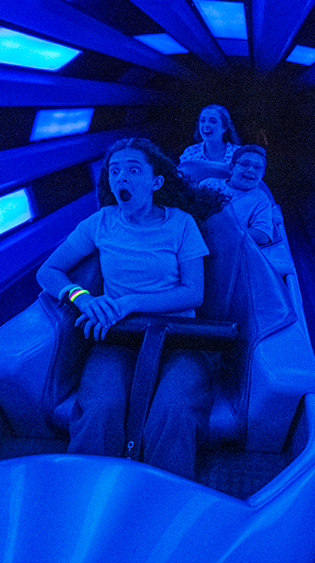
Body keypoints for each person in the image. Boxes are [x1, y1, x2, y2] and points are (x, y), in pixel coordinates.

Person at [36, 138, 226, 479]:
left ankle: (162, 505)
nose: (121, 177)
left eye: (133, 169)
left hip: (179, 336)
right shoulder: (100, 223)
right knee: (100, 408)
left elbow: (193, 294)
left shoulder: (181, 223)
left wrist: (129, 303)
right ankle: (87, 494)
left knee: (174, 411)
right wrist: (84, 298)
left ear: (155, 182)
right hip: (119, 336)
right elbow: (48, 271)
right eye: (115, 171)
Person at [200, 145, 274, 246]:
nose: (251, 170)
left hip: (230, 248)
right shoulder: (209, 184)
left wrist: (225, 231)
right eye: (245, 164)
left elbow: (263, 235)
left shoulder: (260, 198)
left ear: (262, 174)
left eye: (257, 167)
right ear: (231, 167)